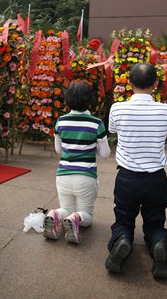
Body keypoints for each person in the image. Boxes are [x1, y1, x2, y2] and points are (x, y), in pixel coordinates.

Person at [105, 63, 167, 279]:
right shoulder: (166, 110)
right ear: (155, 84)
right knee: (155, 220)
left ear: (129, 82)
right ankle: (158, 244)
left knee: (124, 218)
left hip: (127, 177)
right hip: (156, 178)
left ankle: (122, 241)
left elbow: (112, 130)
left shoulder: (118, 108)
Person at [44, 81, 110, 244]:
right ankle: (76, 219)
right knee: (86, 218)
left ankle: (53, 215)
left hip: (63, 175)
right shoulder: (96, 123)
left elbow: (58, 150)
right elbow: (105, 154)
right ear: (90, 100)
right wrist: (92, 145)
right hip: (86, 177)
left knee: (65, 208)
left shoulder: (61, 121)